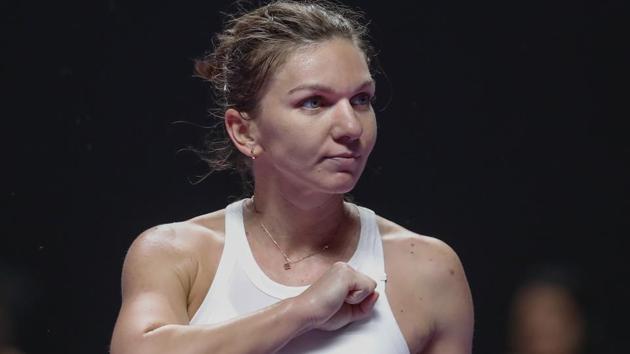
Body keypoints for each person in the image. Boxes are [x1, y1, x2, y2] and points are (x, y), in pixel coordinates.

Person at [110, 1, 473, 353]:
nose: (350, 126)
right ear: (244, 132)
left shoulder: (429, 270)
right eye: (314, 102)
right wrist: (301, 311)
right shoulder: (176, 254)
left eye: (361, 99)